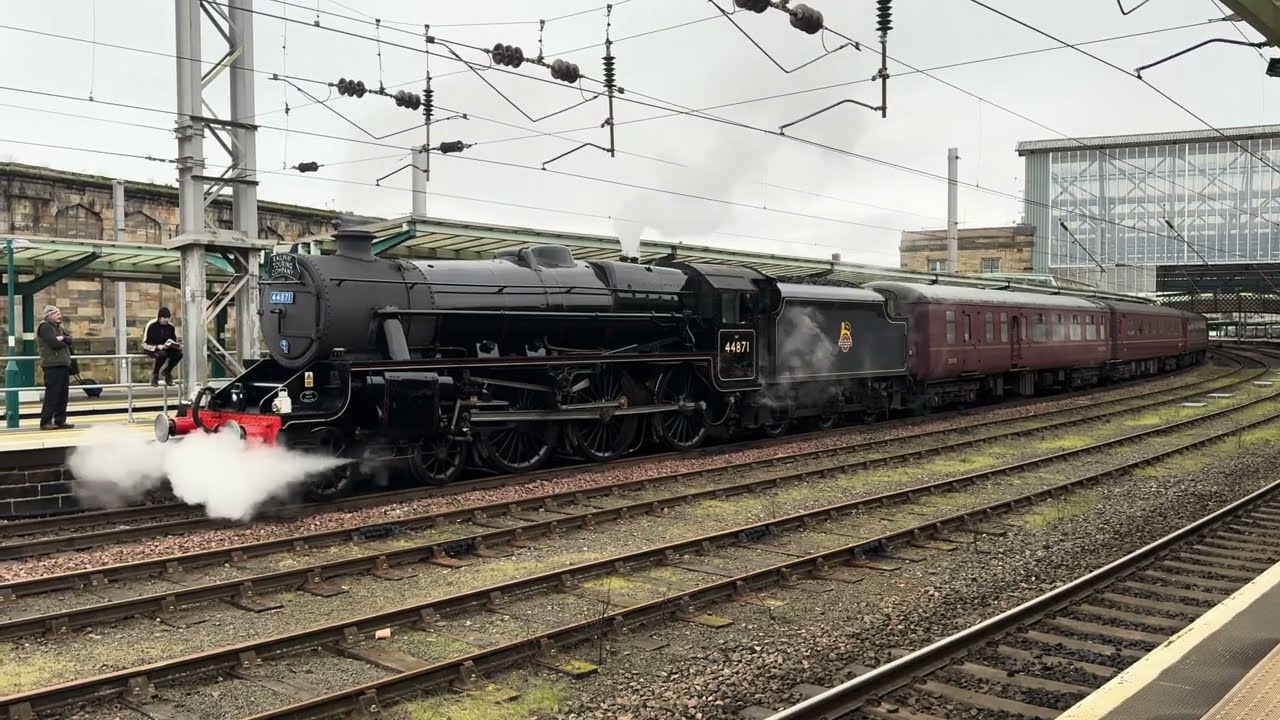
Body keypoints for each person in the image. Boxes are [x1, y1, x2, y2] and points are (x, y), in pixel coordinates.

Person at [35, 305, 74, 431]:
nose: (60, 316)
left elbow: (70, 339)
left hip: (63, 364)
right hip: (52, 365)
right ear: (49, 315)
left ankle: (60, 420)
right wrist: (63, 340)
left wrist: (62, 338)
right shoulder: (45, 327)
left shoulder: (60, 327)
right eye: (57, 314)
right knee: (52, 394)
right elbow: (54, 343)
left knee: (63, 395)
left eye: (59, 313)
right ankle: (45, 421)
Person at [142, 307, 182, 386]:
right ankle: (155, 375)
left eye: (168, 318)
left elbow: (174, 340)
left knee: (179, 354)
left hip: (166, 348)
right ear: (160, 318)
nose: (166, 320)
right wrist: (157, 347)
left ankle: (167, 372)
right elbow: (144, 344)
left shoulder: (170, 327)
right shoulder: (151, 325)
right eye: (164, 318)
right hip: (152, 348)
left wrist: (177, 346)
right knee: (162, 355)